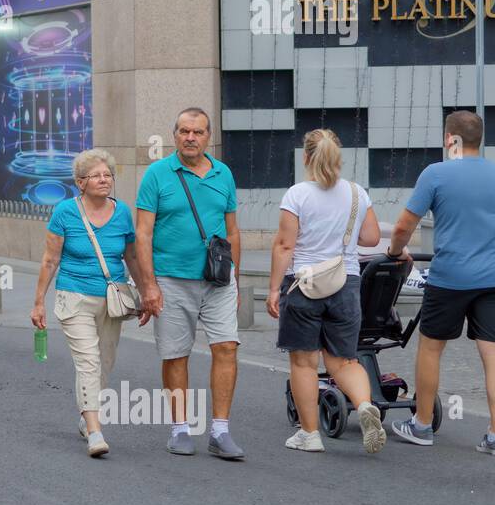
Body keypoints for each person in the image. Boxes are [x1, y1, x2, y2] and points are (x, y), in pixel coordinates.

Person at [385, 110, 495, 455]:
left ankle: (422, 425)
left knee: (431, 347)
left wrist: (396, 252)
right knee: (492, 351)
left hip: (451, 277)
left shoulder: (436, 174)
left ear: (451, 138)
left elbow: (402, 227)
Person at [135, 107, 245, 459]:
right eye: (184, 131)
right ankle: (180, 428)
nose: (190, 138)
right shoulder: (157, 174)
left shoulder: (223, 173)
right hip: (170, 279)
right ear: (175, 135)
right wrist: (148, 286)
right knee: (176, 354)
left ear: (208, 136)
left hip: (217, 280)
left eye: (197, 132)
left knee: (227, 347)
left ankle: (220, 430)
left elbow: (232, 231)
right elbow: (143, 233)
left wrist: (236, 279)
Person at [267, 129, 385, 453]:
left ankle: (310, 434)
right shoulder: (357, 193)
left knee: (304, 363)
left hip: (304, 284)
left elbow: (284, 245)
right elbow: (373, 238)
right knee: (345, 361)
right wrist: (341, 235)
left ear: (306, 157)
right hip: (345, 282)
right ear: (338, 158)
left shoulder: (297, 194)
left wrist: (274, 289)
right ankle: (363, 405)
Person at [32, 149, 151, 458]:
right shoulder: (64, 213)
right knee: (89, 362)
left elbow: (132, 257)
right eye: (96, 175)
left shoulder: (122, 212)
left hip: (112, 299)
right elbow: (50, 259)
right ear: (80, 182)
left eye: (108, 175)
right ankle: (95, 431)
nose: (104, 180)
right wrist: (38, 303)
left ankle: (86, 417)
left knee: (105, 363)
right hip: (74, 296)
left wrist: (147, 293)